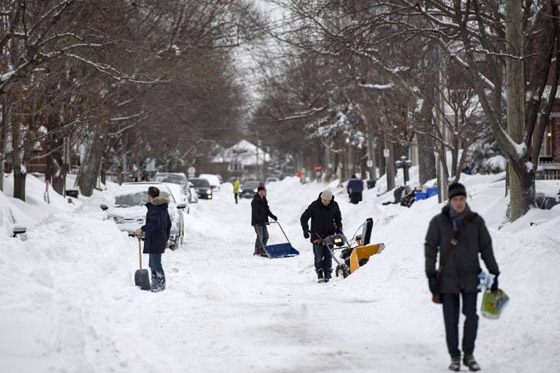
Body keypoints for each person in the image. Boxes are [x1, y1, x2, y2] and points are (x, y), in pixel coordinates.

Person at [425, 182, 500, 372]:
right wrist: (431, 275)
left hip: (470, 277)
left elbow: (486, 248)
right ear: (450, 201)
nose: (458, 203)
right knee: (451, 320)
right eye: (455, 199)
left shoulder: (476, 221)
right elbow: (430, 248)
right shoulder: (438, 222)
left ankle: (468, 354)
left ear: (465, 199)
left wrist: (494, 272)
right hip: (448, 278)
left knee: (471, 317)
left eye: (461, 199)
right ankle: (455, 357)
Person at [300, 190, 343, 283]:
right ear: (321, 198)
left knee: (329, 255)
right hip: (317, 235)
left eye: (328, 201)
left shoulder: (334, 205)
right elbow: (304, 217)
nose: (326, 202)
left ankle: (328, 273)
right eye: (324, 200)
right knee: (318, 256)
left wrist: (339, 231)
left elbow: (338, 219)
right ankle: (320, 273)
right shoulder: (314, 205)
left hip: (330, 235)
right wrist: (305, 229)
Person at [134, 186, 172, 292]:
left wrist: (142, 229)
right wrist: (166, 238)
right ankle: (155, 282)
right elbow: (168, 224)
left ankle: (160, 283)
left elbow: (154, 224)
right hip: (158, 238)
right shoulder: (163, 208)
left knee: (156, 263)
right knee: (152, 263)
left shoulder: (154, 208)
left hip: (155, 239)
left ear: (149, 196)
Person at [251, 185, 277, 257]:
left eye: (263, 191)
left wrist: (273, 216)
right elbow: (255, 213)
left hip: (263, 222)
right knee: (260, 236)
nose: (262, 192)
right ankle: (258, 249)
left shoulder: (264, 200)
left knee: (266, 236)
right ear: (258, 192)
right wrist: (260, 220)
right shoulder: (255, 201)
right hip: (257, 222)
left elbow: (267, 210)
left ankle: (263, 248)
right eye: (260, 191)